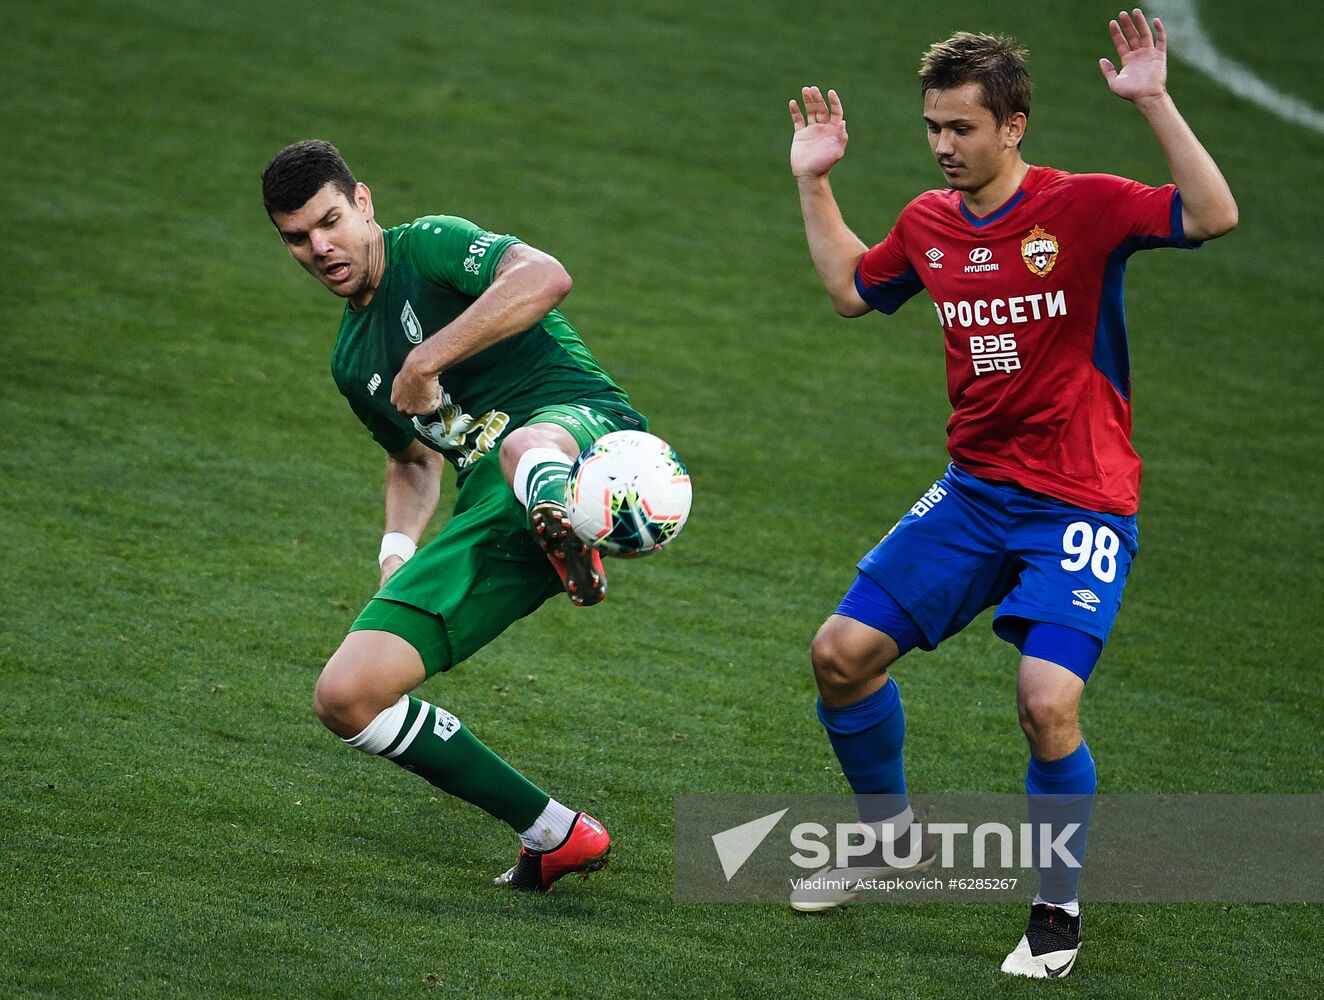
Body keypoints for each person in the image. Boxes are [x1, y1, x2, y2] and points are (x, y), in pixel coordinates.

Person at [786, 9, 1236, 978]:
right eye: (932, 129)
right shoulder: (927, 224)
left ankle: (1055, 910)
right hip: (973, 494)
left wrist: (1154, 101)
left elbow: (1211, 213)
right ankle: (888, 840)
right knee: (838, 655)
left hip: (1080, 501)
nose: (944, 147)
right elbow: (850, 291)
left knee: (1045, 702)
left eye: (962, 129)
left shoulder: (1082, 208)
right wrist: (812, 179)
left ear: (1013, 124)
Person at [261, 139, 652, 892]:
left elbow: (545, 276)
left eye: (330, 221)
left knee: (526, 445)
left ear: (364, 202)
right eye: (297, 238)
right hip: (494, 515)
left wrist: (426, 359)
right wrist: (396, 551)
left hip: (584, 432)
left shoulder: (429, 246)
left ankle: (567, 511)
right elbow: (413, 461)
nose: (320, 247)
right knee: (345, 696)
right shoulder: (351, 360)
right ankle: (555, 832)